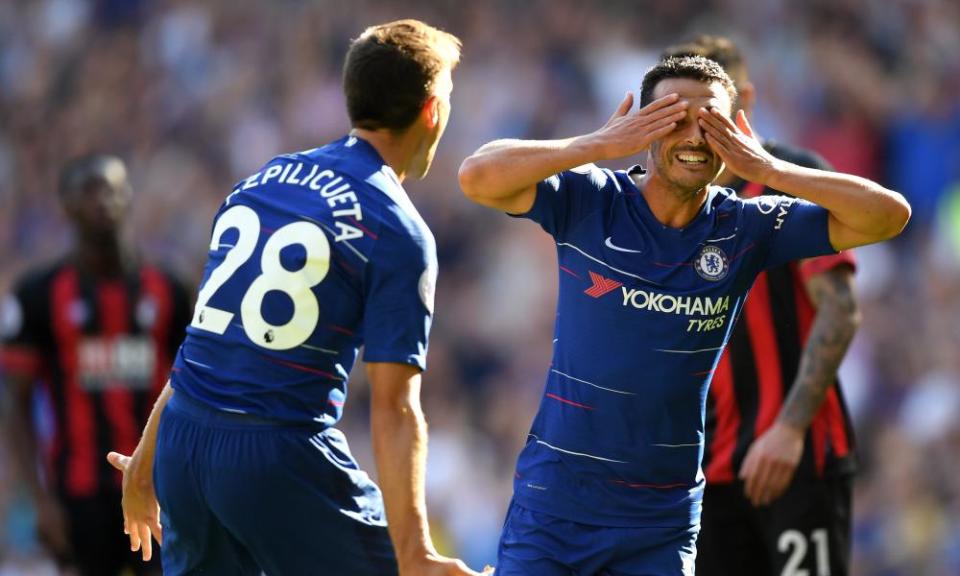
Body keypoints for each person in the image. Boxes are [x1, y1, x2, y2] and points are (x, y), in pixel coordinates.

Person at [459, 55, 910, 575]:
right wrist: (599, 145)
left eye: (711, 121)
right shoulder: (591, 200)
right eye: (675, 118)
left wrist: (767, 168)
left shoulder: (745, 228)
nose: (695, 136)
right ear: (644, 128)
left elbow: (889, 216)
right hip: (554, 511)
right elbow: (477, 176)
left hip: (660, 524)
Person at [106, 19, 482, 576]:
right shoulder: (398, 228)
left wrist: (147, 461)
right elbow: (395, 407)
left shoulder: (262, 181)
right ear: (431, 111)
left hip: (185, 443)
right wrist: (416, 550)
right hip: (277, 455)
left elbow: (210, 338)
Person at [662, 36, 859, 576]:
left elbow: (840, 310)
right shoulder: (671, 199)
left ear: (741, 99)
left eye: (712, 111)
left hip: (796, 459)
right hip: (709, 471)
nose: (699, 129)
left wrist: (790, 429)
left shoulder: (791, 177)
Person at [0, 154, 191, 576]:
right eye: (91, 190)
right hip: (76, 496)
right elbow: (16, 405)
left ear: (129, 197)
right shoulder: (38, 295)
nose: (104, 200)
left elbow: (195, 386)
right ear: (66, 205)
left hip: (155, 487)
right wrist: (38, 499)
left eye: (114, 189)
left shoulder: (171, 289)